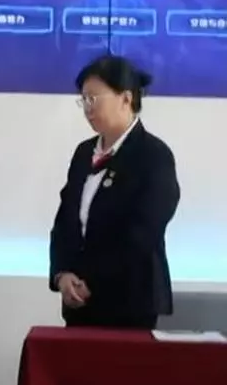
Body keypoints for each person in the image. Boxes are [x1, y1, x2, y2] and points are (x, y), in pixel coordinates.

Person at [49, 54, 179, 330]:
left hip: (129, 303)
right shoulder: (84, 153)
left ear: (125, 98)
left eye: (94, 98)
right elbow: (65, 222)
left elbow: (143, 234)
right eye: (83, 100)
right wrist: (63, 274)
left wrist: (91, 281)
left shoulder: (154, 155)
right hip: (79, 304)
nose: (87, 108)